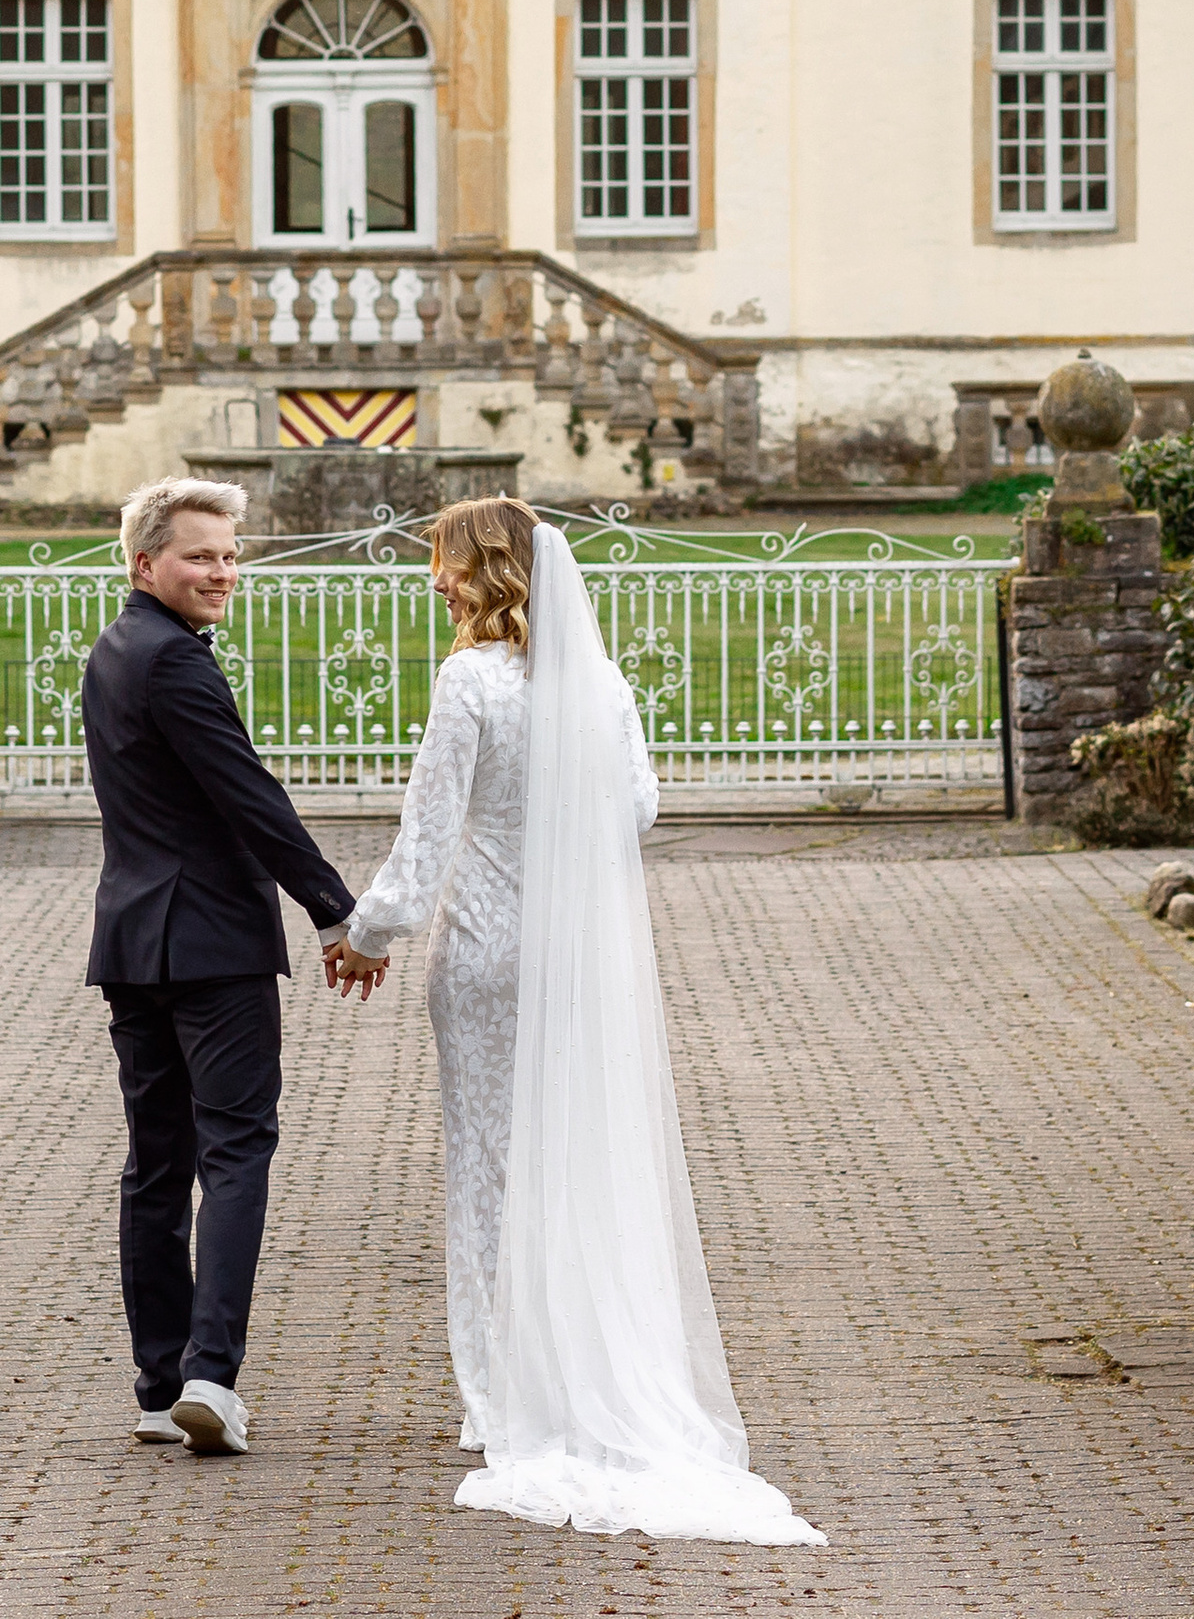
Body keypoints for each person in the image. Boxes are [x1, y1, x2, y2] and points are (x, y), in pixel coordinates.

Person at [330, 498, 826, 1546]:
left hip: (488, 950)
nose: (434, 581)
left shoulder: (469, 681)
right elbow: (638, 806)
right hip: (580, 950)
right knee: (579, 1158)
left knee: (487, 1168)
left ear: (482, 571)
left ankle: (501, 1398)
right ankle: (585, 1369)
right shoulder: (598, 683)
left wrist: (367, 935)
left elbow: (423, 840)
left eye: (443, 563)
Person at [83, 475, 360, 1460]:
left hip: (132, 940)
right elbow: (251, 797)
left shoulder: (113, 650)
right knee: (235, 1150)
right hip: (209, 946)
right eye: (202, 554)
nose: (222, 571)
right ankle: (209, 1373)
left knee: (155, 1161)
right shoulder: (177, 664)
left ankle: (160, 1385)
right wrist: (335, 908)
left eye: (232, 554)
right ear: (145, 561)